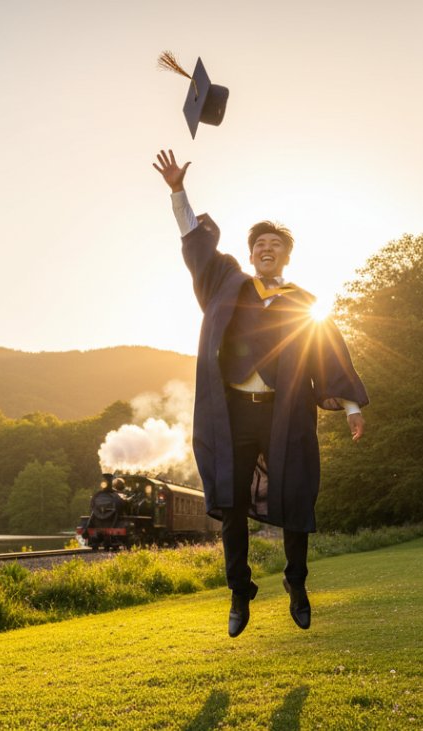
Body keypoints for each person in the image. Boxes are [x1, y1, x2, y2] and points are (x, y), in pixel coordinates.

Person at [152, 149, 368, 637]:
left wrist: (351, 405)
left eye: (275, 244)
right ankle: (239, 590)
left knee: (294, 496)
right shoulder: (227, 282)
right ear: (250, 253)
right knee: (228, 502)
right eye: (260, 243)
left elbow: (329, 351)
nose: (266, 249)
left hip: (283, 413)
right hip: (232, 415)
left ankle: (296, 582)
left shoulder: (304, 303)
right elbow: (196, 246)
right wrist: (177, 192)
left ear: (286, 255)